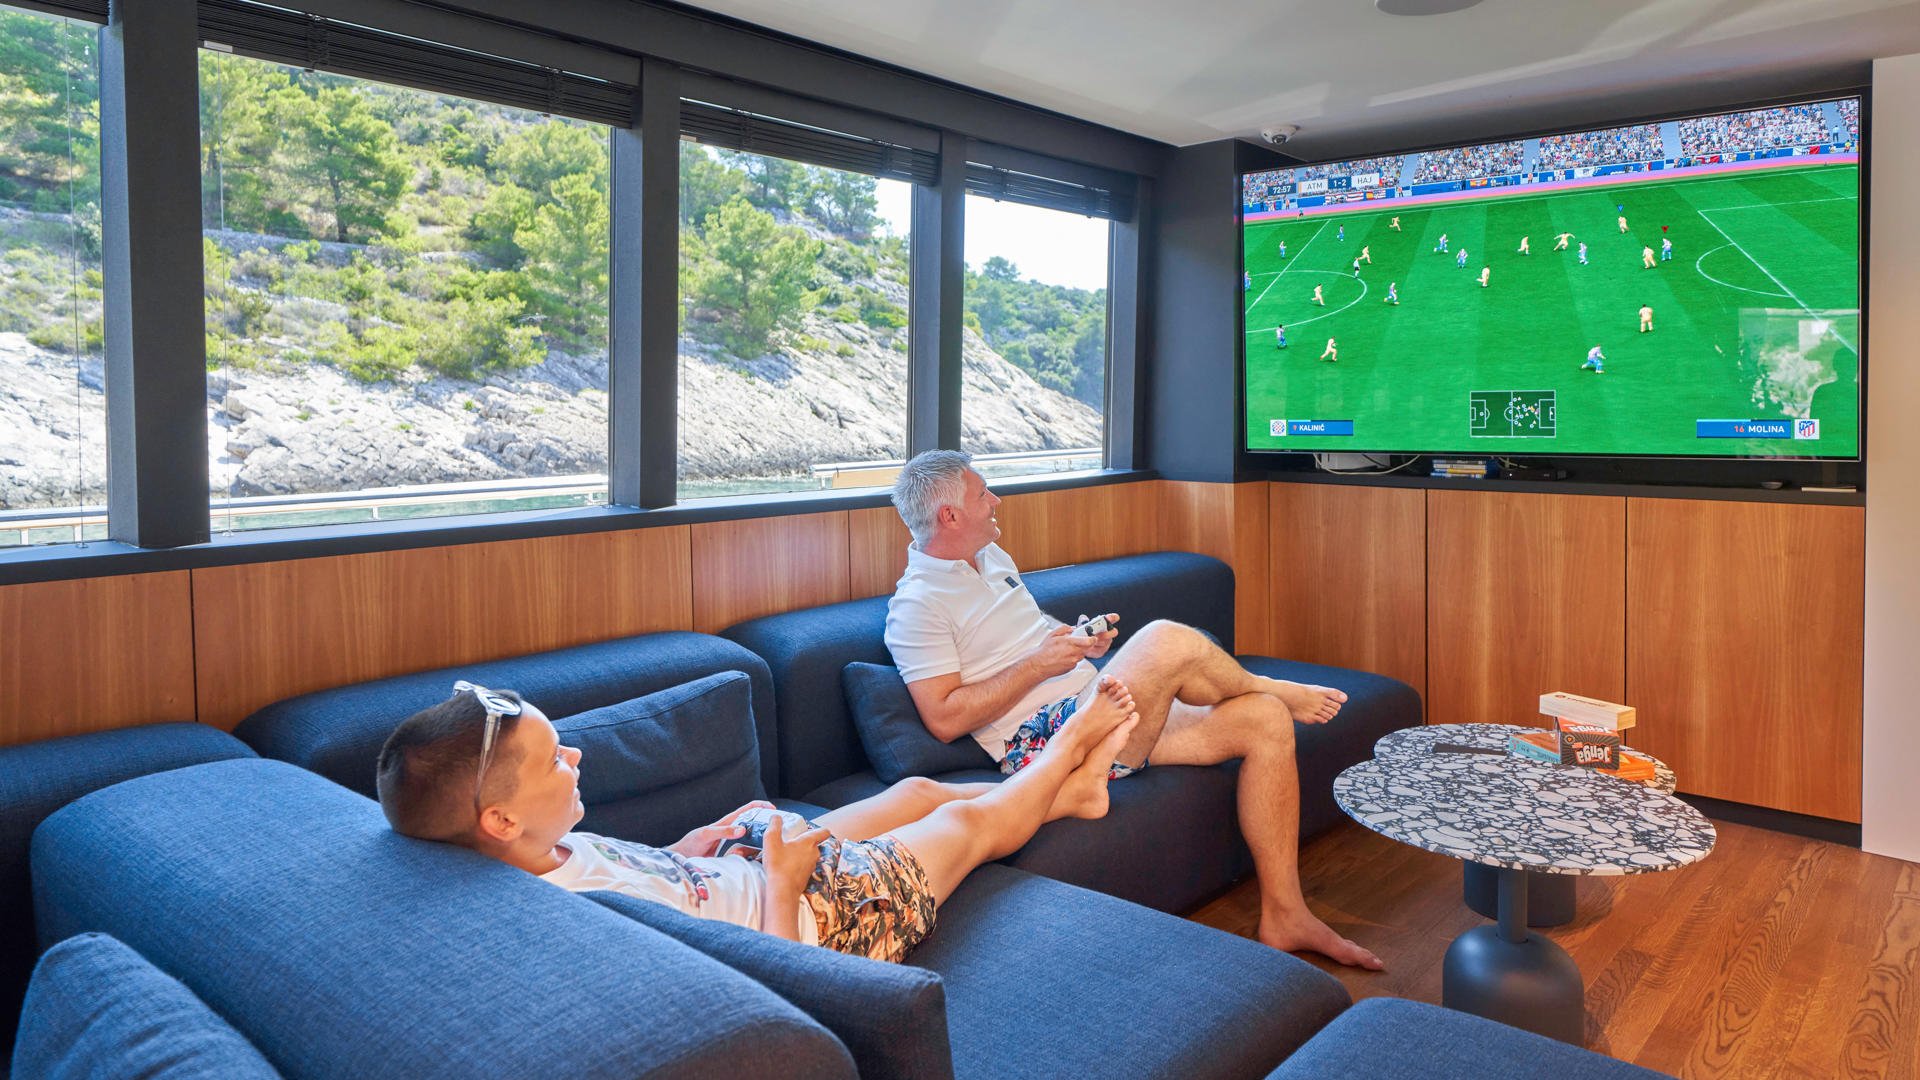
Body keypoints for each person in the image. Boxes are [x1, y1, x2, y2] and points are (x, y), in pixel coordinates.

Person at [882, 452, 1379, 969]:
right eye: (982, 493)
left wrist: (1075, 640)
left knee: (1264, 719)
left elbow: (1026, 636)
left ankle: (1286, 913)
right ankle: (1269, 684)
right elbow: (944, 719)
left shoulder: (991, 557)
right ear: (950, 515)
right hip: (1044, 744)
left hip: (1090, 698)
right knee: (1165, 639)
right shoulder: (918, 605)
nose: (995, 500)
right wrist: (1039, 664)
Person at [376, 678, 1142, 963]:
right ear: (500, 820)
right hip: (821, 923)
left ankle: (1071, 796)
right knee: (969, 825)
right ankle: (1068, 748)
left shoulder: (544, 848)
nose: (574, 755)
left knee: (913, 791)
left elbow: (646, 874)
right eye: (553, 759)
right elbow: (766, 986)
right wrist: (783, 881)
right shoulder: (586, 927)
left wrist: (696, 842)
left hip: (750, 869)